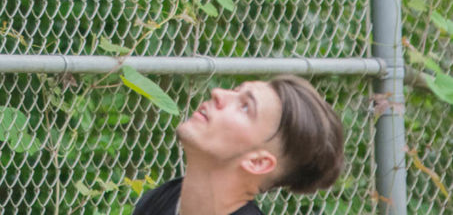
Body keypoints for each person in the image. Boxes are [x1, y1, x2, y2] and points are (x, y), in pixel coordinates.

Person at [133, 75, 344, 215]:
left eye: (245, 107)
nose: (218, 93)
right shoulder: (160, 201)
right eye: (235, 91)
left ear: (258, 162)